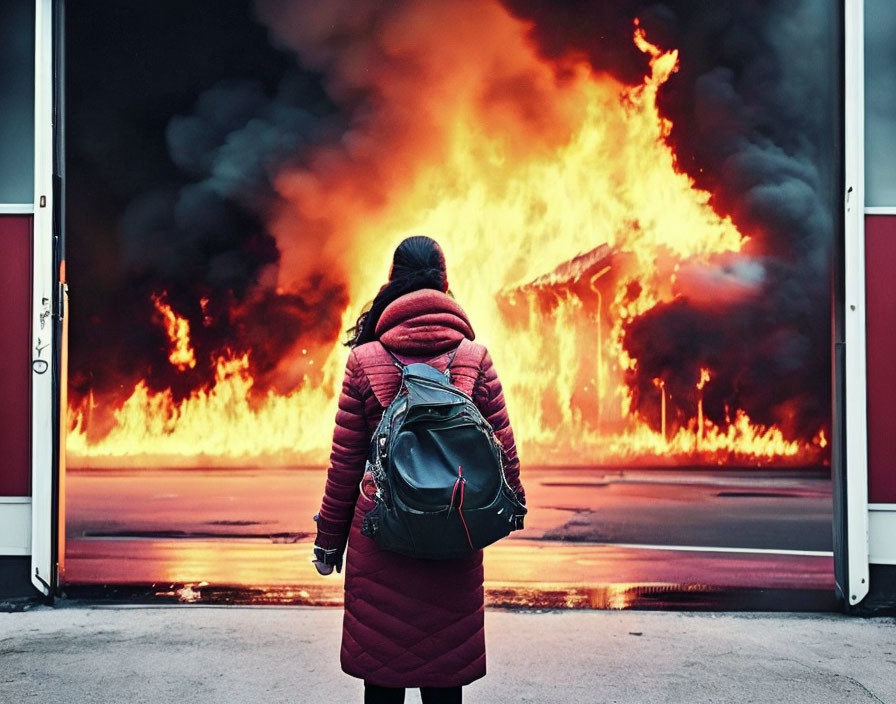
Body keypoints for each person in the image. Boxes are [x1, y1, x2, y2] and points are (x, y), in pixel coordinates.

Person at [312, 235, 526, 704]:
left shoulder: (364, 360)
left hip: (381, 537)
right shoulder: (474, 358)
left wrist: (328, 543)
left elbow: (345, 464)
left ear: (393, 282)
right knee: (445, 684)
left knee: (383, 684)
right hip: (455, 529)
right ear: (444, 283)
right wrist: (511, 509)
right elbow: (504, 453)